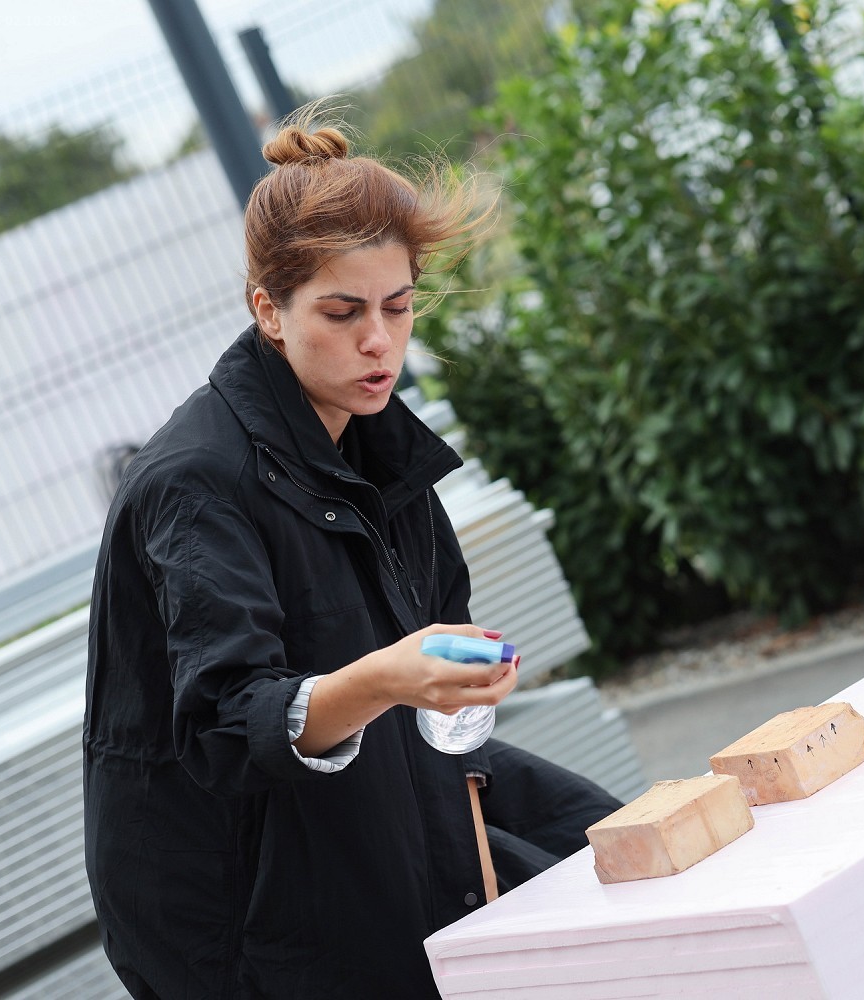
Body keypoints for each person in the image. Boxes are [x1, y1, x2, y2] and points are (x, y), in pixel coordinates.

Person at [84, 117, 621, 999]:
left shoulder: (378, 448)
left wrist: (450, 691)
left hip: (377, 823)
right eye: (342, 313)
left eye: (398, 307)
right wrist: (390, 677)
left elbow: (438, 690)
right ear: (268, 310)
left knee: (633, 865)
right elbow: (230, 723)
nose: (379, 341)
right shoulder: (195, 483)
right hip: (242, 925)